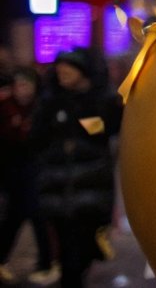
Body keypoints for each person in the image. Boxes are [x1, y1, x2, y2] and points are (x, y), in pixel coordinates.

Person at [33, 49, 121, 288]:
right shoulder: (50, 103)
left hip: (90, 190)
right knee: (67, 255)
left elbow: (102, 131)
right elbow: (37, 138)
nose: (62, 74)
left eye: (68, 70)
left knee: (82, 249)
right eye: (59, 71)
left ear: (83, 73)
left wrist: (77, 117)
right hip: (57, 190)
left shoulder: (99, 101)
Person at [0, 68, 56, 285]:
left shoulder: (42, 108)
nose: (22, 90)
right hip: (13, 174)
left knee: (37, 218)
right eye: (19, 85)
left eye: (26, 85)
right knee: (15, 218)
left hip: (36, 172)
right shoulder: (5, 108)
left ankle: (46, 263)